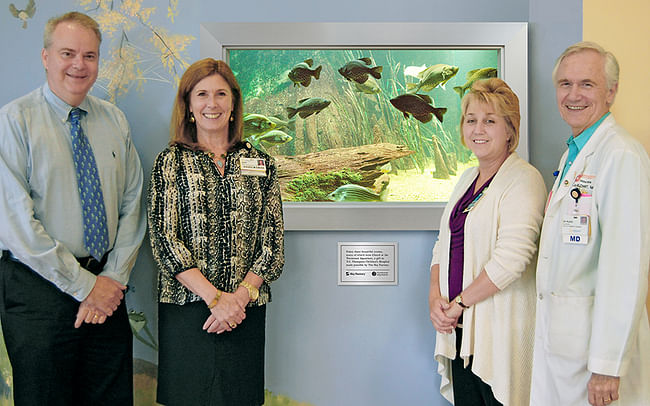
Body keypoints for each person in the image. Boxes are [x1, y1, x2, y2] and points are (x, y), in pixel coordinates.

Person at [0, 11, 145, 406]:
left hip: (108, 286)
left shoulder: (115, 119)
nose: (79, 65)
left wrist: (110, 281)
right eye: (68, 53)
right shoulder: (13, 122)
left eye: (90, 55)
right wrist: (86, 288)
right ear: (46, 57)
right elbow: (15, 225)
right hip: (38, 290)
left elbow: (133, 204)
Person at [148, 58, 285, 406]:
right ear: (189, 105)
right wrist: (215, 300)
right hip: (188, 309)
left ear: (235, 103)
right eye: (203, 94)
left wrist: (236, 300)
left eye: (221, 94)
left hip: (245, 311)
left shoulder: (261, 162)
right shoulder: (170, 161)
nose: (213, 103)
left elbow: (272, 244)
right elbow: (165, 241)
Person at [530, 41, 650, 406]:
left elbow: (626, 268)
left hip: (596, 358)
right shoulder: (575, 152)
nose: (573, 95)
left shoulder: (621, 155)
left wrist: (607, 365)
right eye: (565, 84)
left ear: (611, 91)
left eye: (587, 84)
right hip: (567, 343)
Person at [429, 78, 547, 406]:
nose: (478, 129)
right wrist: (435, 298)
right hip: (460, 331)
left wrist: (459, 304)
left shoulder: (524, 179)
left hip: (498, 332)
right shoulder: (467, 178)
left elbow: (513, 258)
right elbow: (443, 242)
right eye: (471, 120)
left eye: (490, 121)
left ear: (510, 129)